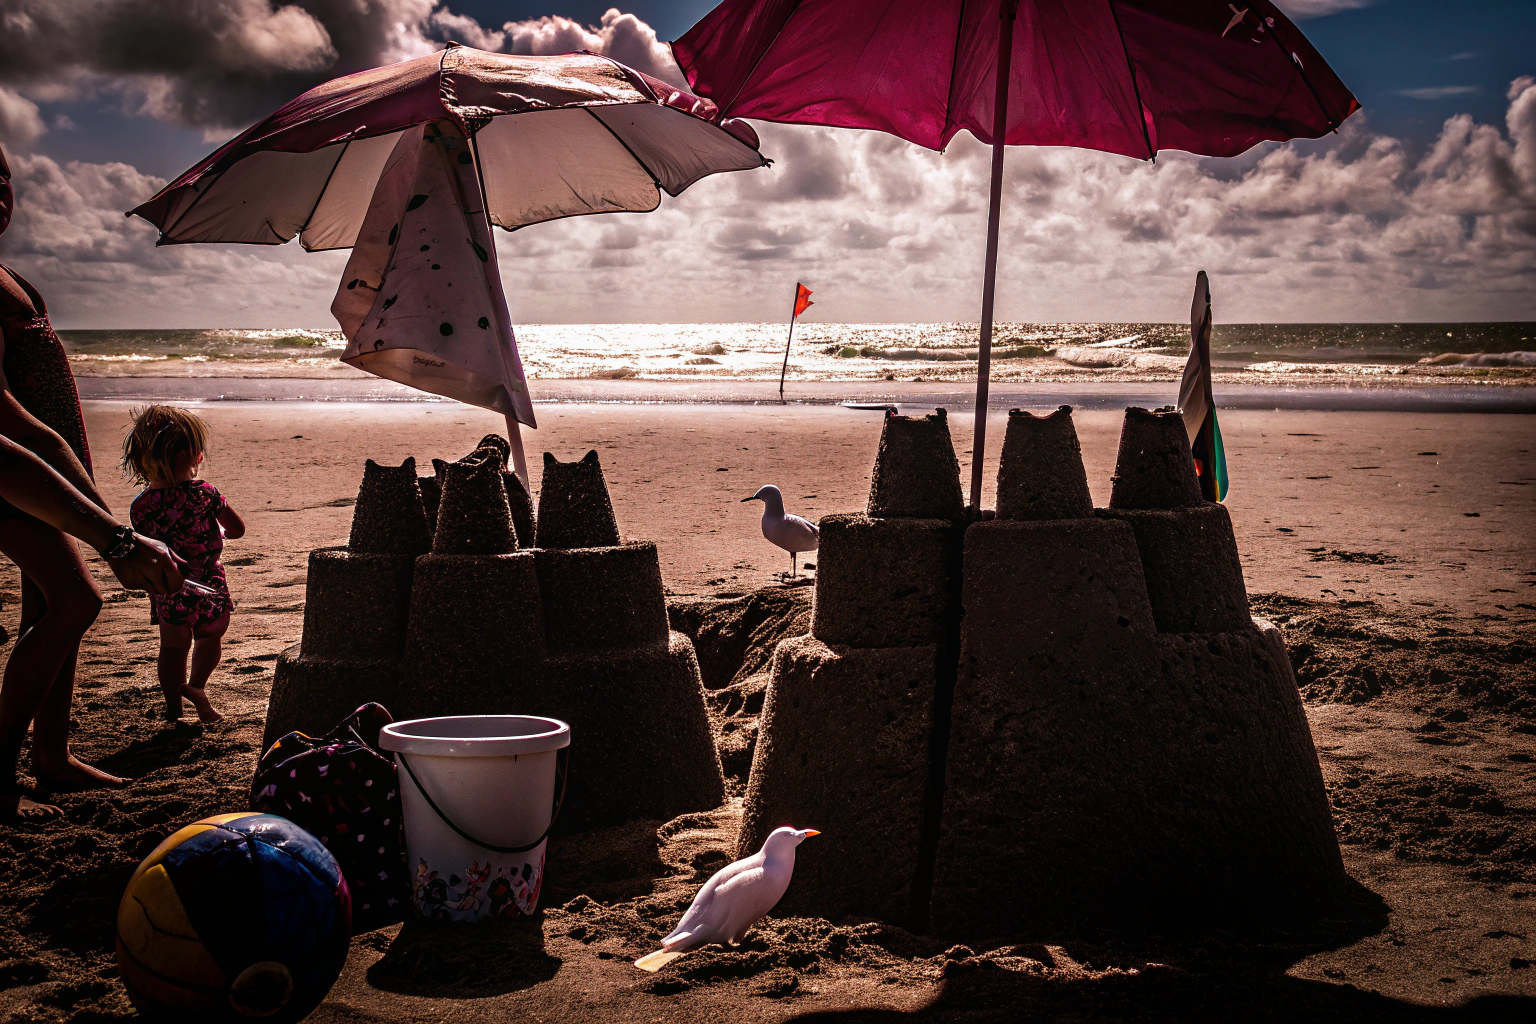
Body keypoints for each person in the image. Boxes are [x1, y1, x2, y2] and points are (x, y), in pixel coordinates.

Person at [0, 144, 184, 822]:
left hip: (45, 467)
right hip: (17, 474)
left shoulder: (14, 278)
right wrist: (110, 528)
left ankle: (50, 755)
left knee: (45, 605)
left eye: (4, 177)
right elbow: (12, 421)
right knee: (75, 602)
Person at [124, 406, 243, 724]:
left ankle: (173, 710)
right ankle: (197, 687)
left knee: (173, 647)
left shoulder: (142, 506)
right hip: (208, 579)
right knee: (210, 635)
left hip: (169, 584)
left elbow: (146, 548)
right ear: (195, 457)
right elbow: (238, 529)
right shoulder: (205, 494)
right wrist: (222, 533)